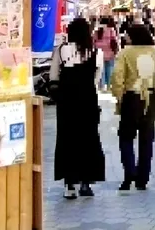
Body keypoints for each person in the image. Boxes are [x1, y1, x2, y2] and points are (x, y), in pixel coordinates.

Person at [111, 25, 155, 191]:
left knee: (125, 137)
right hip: (151, 99)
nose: (126, 38)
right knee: (146, 139)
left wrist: (118, 96)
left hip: (132, 98)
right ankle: (142, 179)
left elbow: (117, 78)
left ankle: (129, 173)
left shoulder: (125, 53)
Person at [49, 17, 106, 199]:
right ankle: (86, 183)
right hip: (88, 101)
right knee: (89, 139)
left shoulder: (61, 50)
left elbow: (53, 75)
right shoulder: (95, 52)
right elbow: (97, 78)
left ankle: (69, 184)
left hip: (67, 102)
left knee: (67, 140)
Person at [94, 21, 119, 91]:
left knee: (101, 70)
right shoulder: (111, 30)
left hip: (100, 54)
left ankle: (102, 86)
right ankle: (109, 86)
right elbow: (114, 41)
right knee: (110, 70)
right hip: (110, 53)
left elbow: (93, 41)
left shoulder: (97, 31)